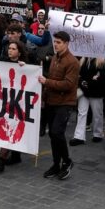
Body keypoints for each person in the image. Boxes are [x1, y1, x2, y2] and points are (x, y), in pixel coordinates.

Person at [38, 31, 79, 180]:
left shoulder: (72, 62)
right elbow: (52, 77)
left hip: (65, 102)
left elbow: (68, 84)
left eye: (59, 42)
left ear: (66, 44)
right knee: (53, 135)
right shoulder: (55, 57)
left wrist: (47, 82)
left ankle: (67, 162)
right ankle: (56, 164)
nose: (55, 44)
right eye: (55, 41)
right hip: (52, 101)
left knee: (56, 132)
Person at [0, 40, 28, 172]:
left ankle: (2, 158)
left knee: (11, 126)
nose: (10, 51)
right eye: (9, 48)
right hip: (5, 100)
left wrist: (26, 67)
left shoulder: (25, 64)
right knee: (9, 125)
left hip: (19, 102)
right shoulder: (3, 61)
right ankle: (15, 156)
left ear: (19, 51)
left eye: (13, 49)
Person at [71, 56, 105, 146]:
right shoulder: (84, 59)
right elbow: (79, 75)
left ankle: (98, 134)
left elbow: (103, 77)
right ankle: (79, 136)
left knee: (97, 114)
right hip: (85, 90)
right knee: (81, 113)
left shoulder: (103, 60)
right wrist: (86, 81)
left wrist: (86, 82)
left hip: (96, 92)